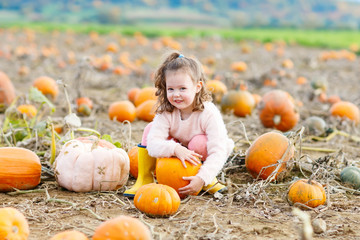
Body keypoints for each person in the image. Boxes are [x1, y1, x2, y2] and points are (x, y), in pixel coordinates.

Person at [124, 51, 234, 197]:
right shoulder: (167, 111)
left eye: (182, 88)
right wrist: (175, 149)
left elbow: (218, 151)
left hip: (204, 152)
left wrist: (202, 178)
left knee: (199, 142)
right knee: (150, 129)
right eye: (171, 89)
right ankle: (145, 179)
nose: (176, 94)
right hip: (181, 149)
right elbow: (152, 144)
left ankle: (209, 180)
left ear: (197, 87)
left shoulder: (209, 113)